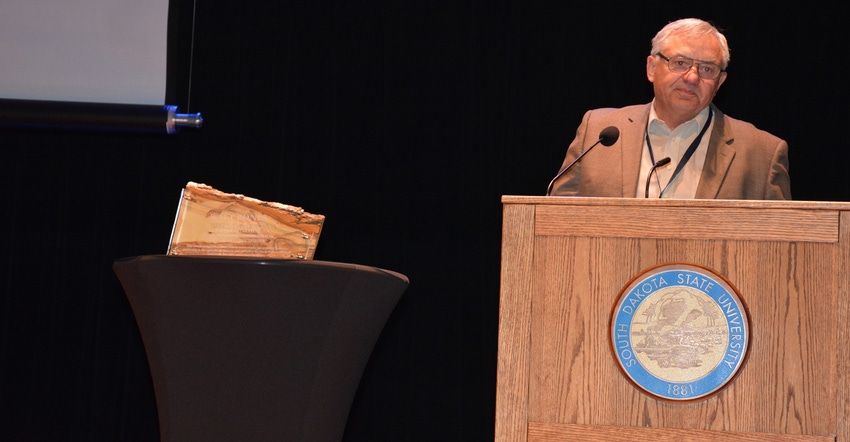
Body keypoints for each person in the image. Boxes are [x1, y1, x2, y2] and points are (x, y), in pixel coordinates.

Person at [548, 18, 791, 200]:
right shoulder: (600, 132)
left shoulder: (763, 154)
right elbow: (555, 219)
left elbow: (780, 246)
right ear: (651, 68)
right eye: (680, 63)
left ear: (721, 81)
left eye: (707, 69)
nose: (692, 77)